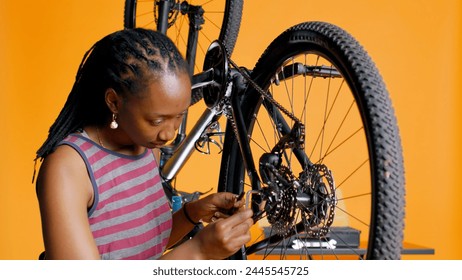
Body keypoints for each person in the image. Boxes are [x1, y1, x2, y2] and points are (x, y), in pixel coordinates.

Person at [33, 28, 253, 260]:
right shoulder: (68, 169)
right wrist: (199, 251)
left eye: (179, 116)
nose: (169, 133)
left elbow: (140, 246)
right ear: (114, 102)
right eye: (156, 120)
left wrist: (192, 213)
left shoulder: (148, 149)